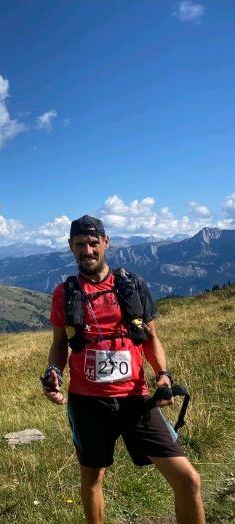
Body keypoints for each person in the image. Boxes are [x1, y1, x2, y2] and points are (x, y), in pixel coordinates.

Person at [41, 215, 205, 524]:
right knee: (92, 479)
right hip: (87, 403)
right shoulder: (64, 294)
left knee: (188, 480)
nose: (87, 251)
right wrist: (54, 371)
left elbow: (152, 337)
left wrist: (163, 376)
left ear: (105, 242)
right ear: (70, 247)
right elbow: (60, 342)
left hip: (135, 398)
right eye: (79, 245)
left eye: (93, 243)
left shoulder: (131, 284)